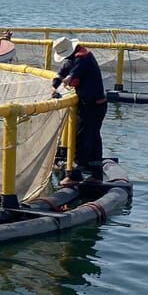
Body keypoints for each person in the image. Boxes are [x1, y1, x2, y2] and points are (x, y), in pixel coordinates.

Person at [50, 36, 107, 186]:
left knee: (82, 138)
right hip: (93, 104)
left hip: (93, 106)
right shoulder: (73, 57)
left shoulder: (83, 58)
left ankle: (75, 174)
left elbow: (71, 79)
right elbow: (62, 72)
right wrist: (54, 86)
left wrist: (61, 86)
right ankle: (96, 174)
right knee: (93, 138)